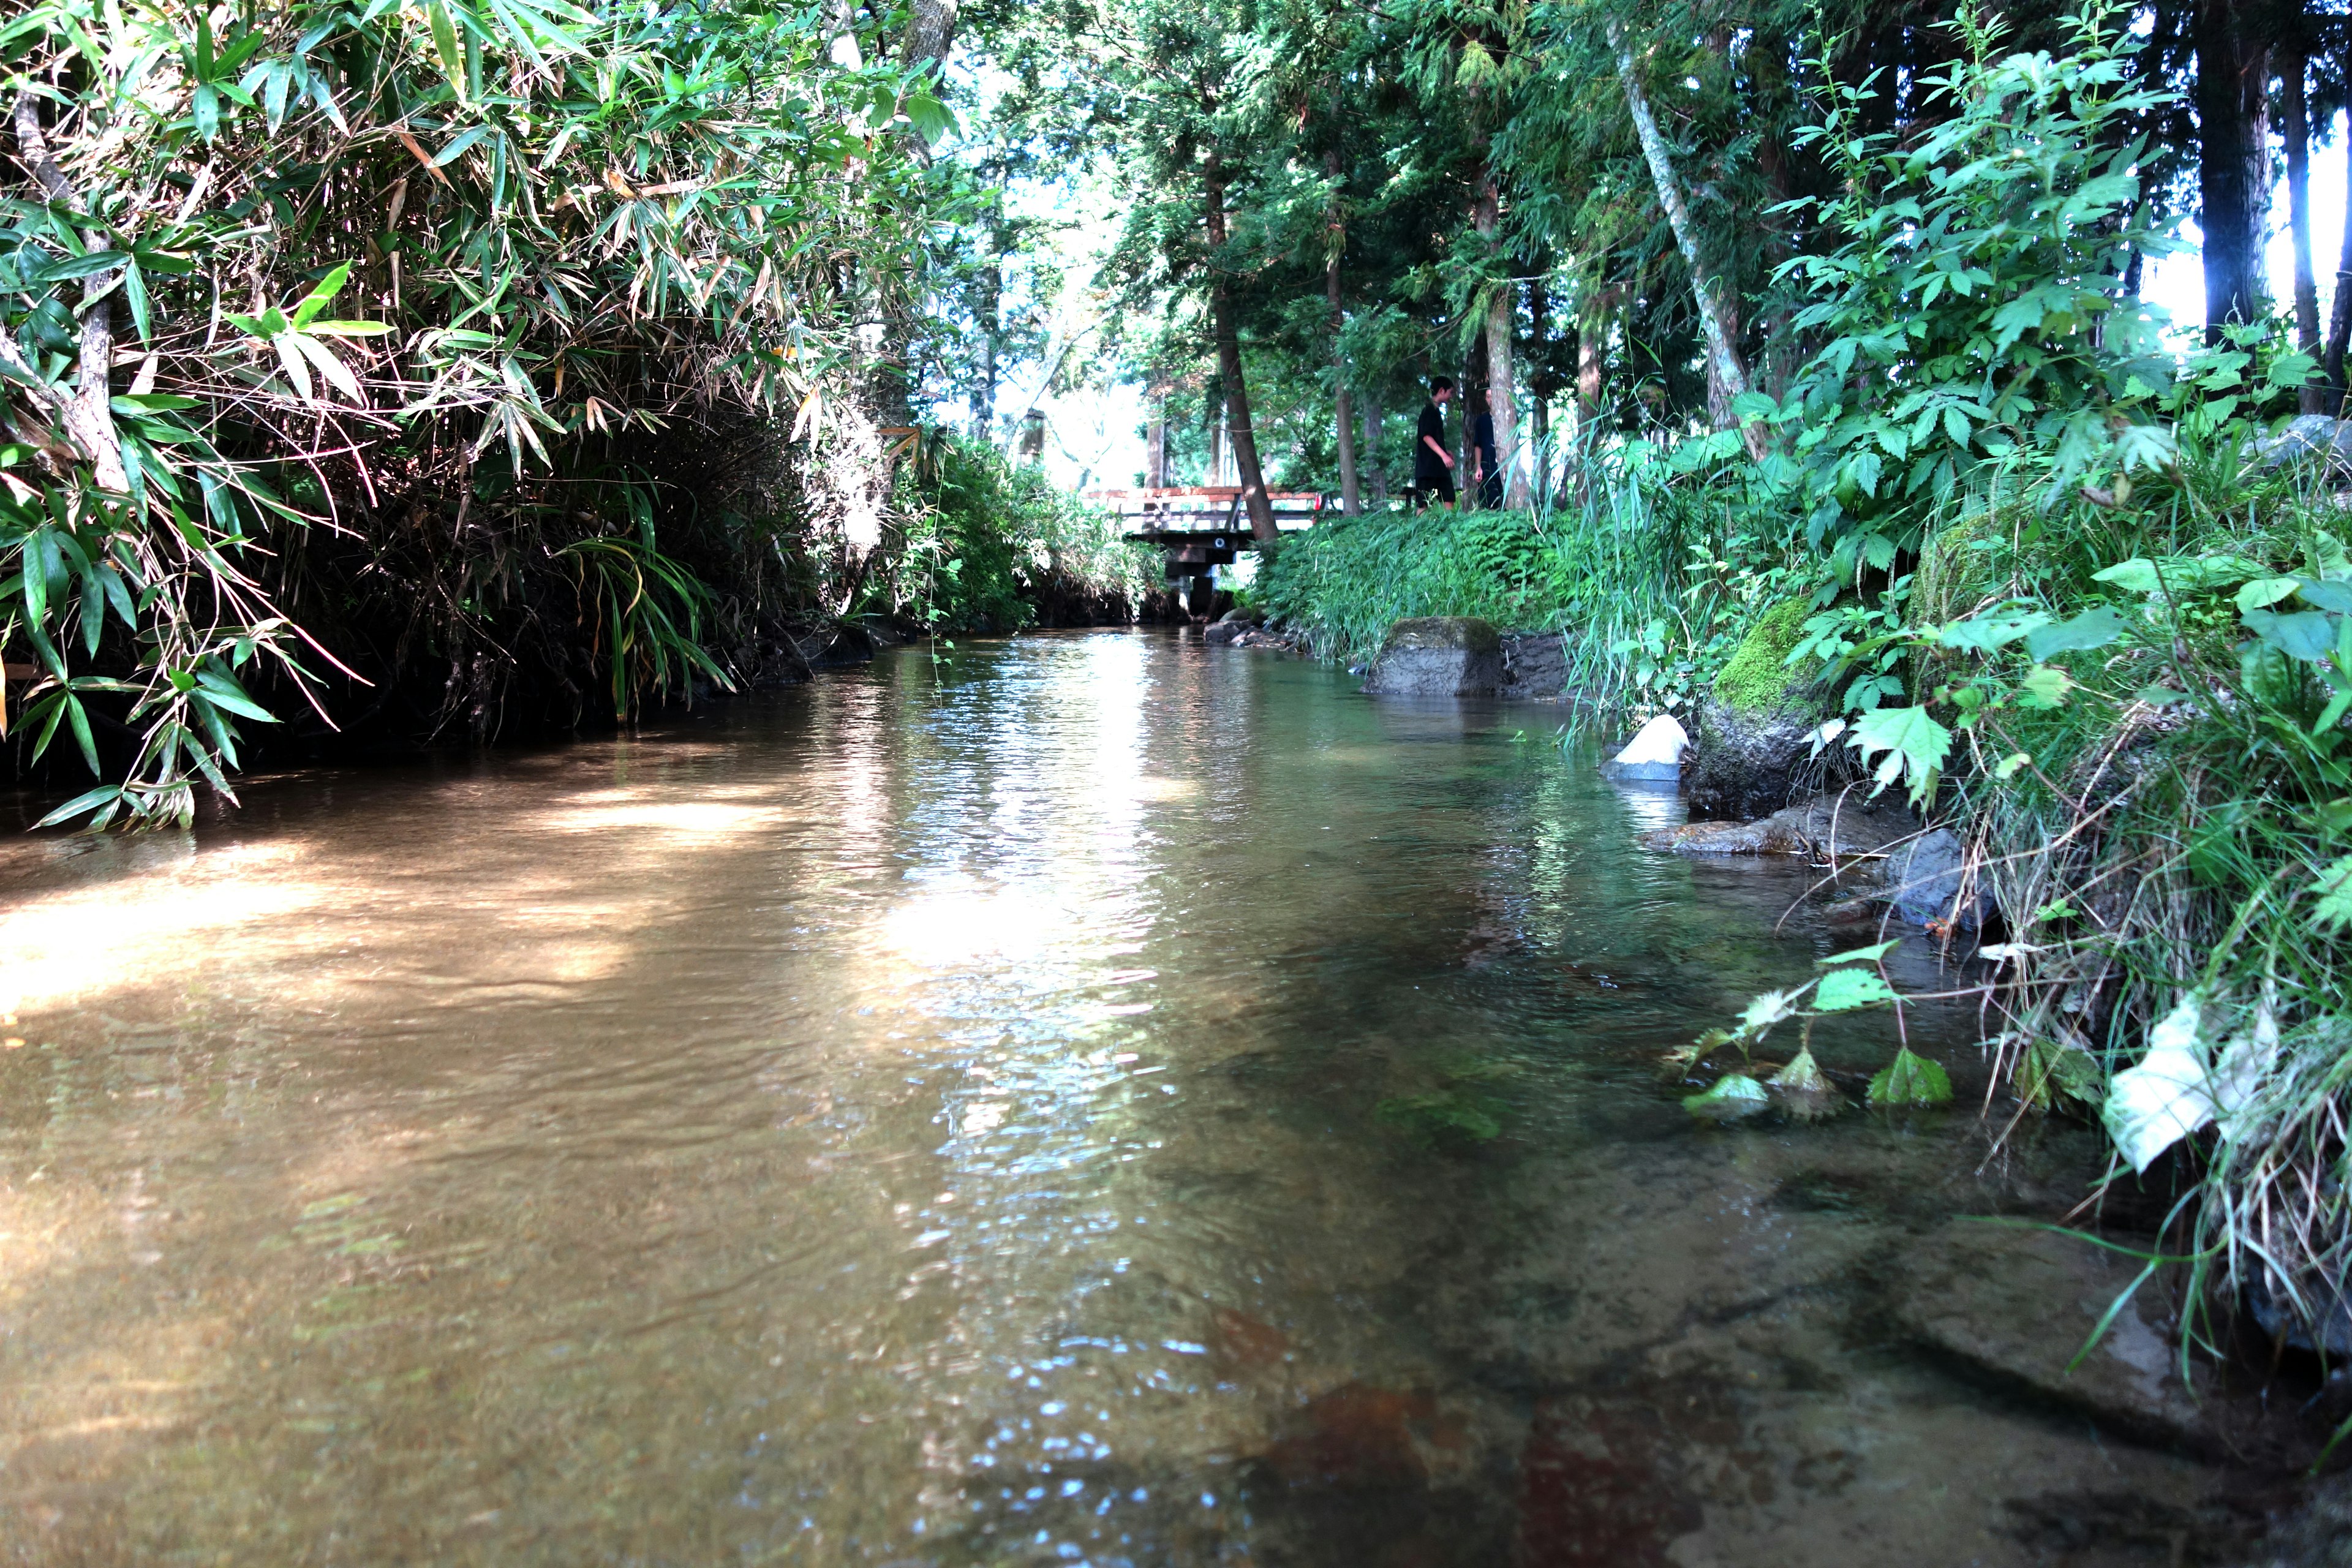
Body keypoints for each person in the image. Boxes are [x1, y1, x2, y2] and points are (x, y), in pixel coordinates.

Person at [1412, 377, 1457, 510]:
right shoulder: (1429, 411)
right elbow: (1426, 437)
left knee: (1449, 498)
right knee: (1424, 504)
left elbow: (1433, 437)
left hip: (1440, 469)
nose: (1451, 396)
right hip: (1427, 469)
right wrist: (1444, 455)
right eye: (1450, 392)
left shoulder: (1436, 412)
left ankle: (1450, 529)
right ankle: (1420, 531)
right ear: (1442, 391)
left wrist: (1445, 451)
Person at [1469, 388, 1501, 509]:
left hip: (1505, 469)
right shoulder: (1482, 420)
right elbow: (1478, 445)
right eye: (1488, 396)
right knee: (1487, 505)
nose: (1491, 399)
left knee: (1506, 505)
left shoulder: (1510, 418)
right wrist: (1478, 467)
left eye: (1493, 396)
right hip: (1487, 469)